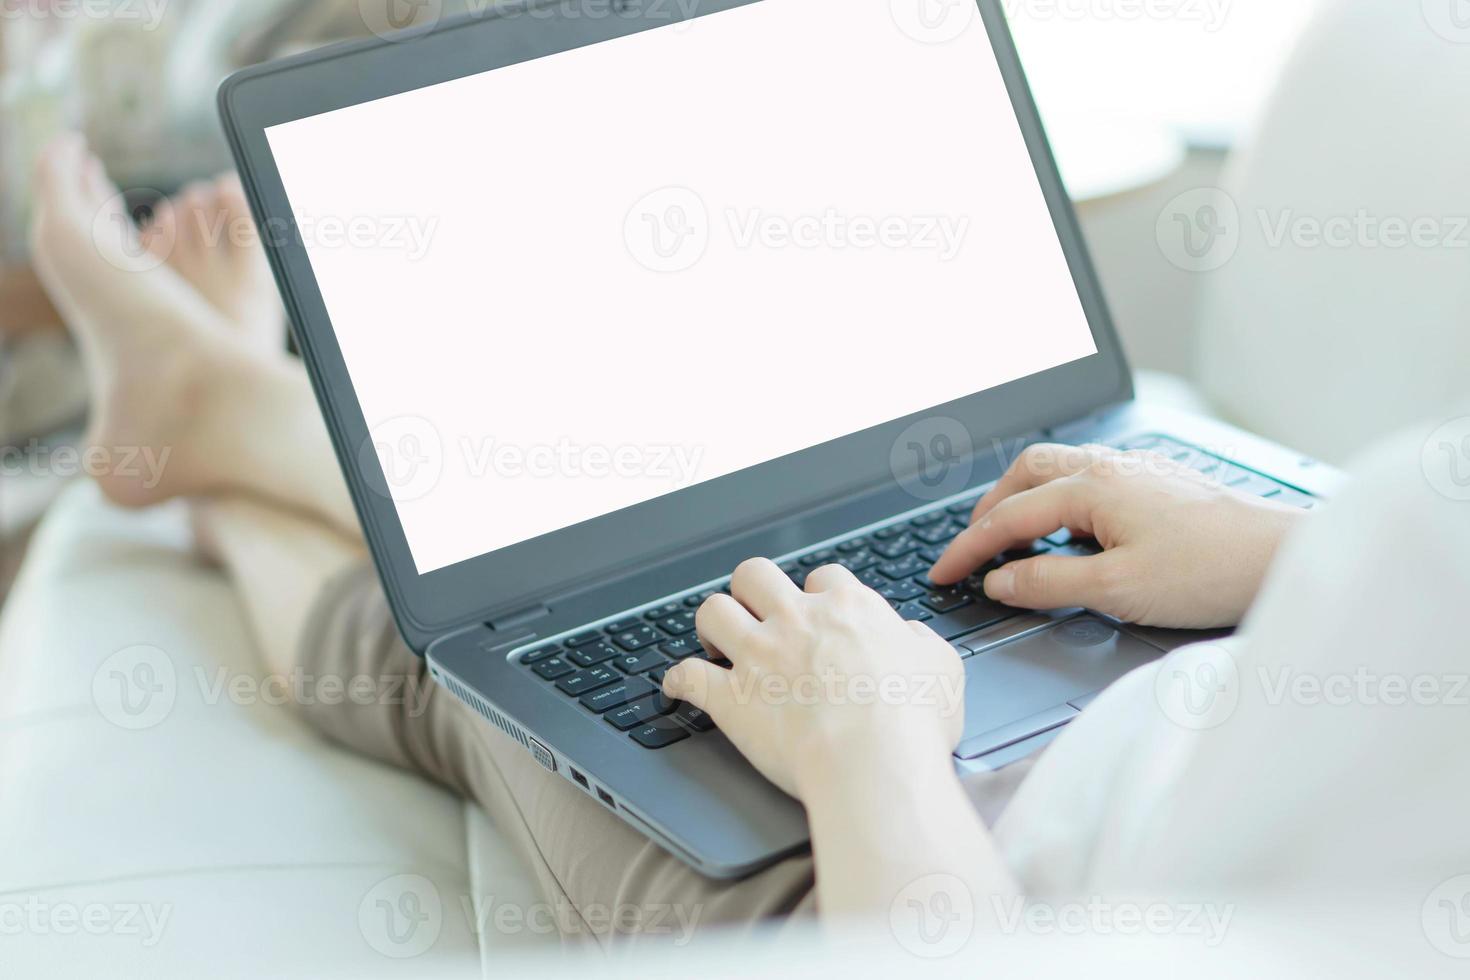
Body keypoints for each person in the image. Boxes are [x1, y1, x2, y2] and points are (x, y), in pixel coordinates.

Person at [29, 133, 1470, 955]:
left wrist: (870, 755)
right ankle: (223, 419)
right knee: (665, 580)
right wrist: (1293, 548)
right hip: (1203, 659)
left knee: (493, 671)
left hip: (942, 872)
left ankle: (216, 439)